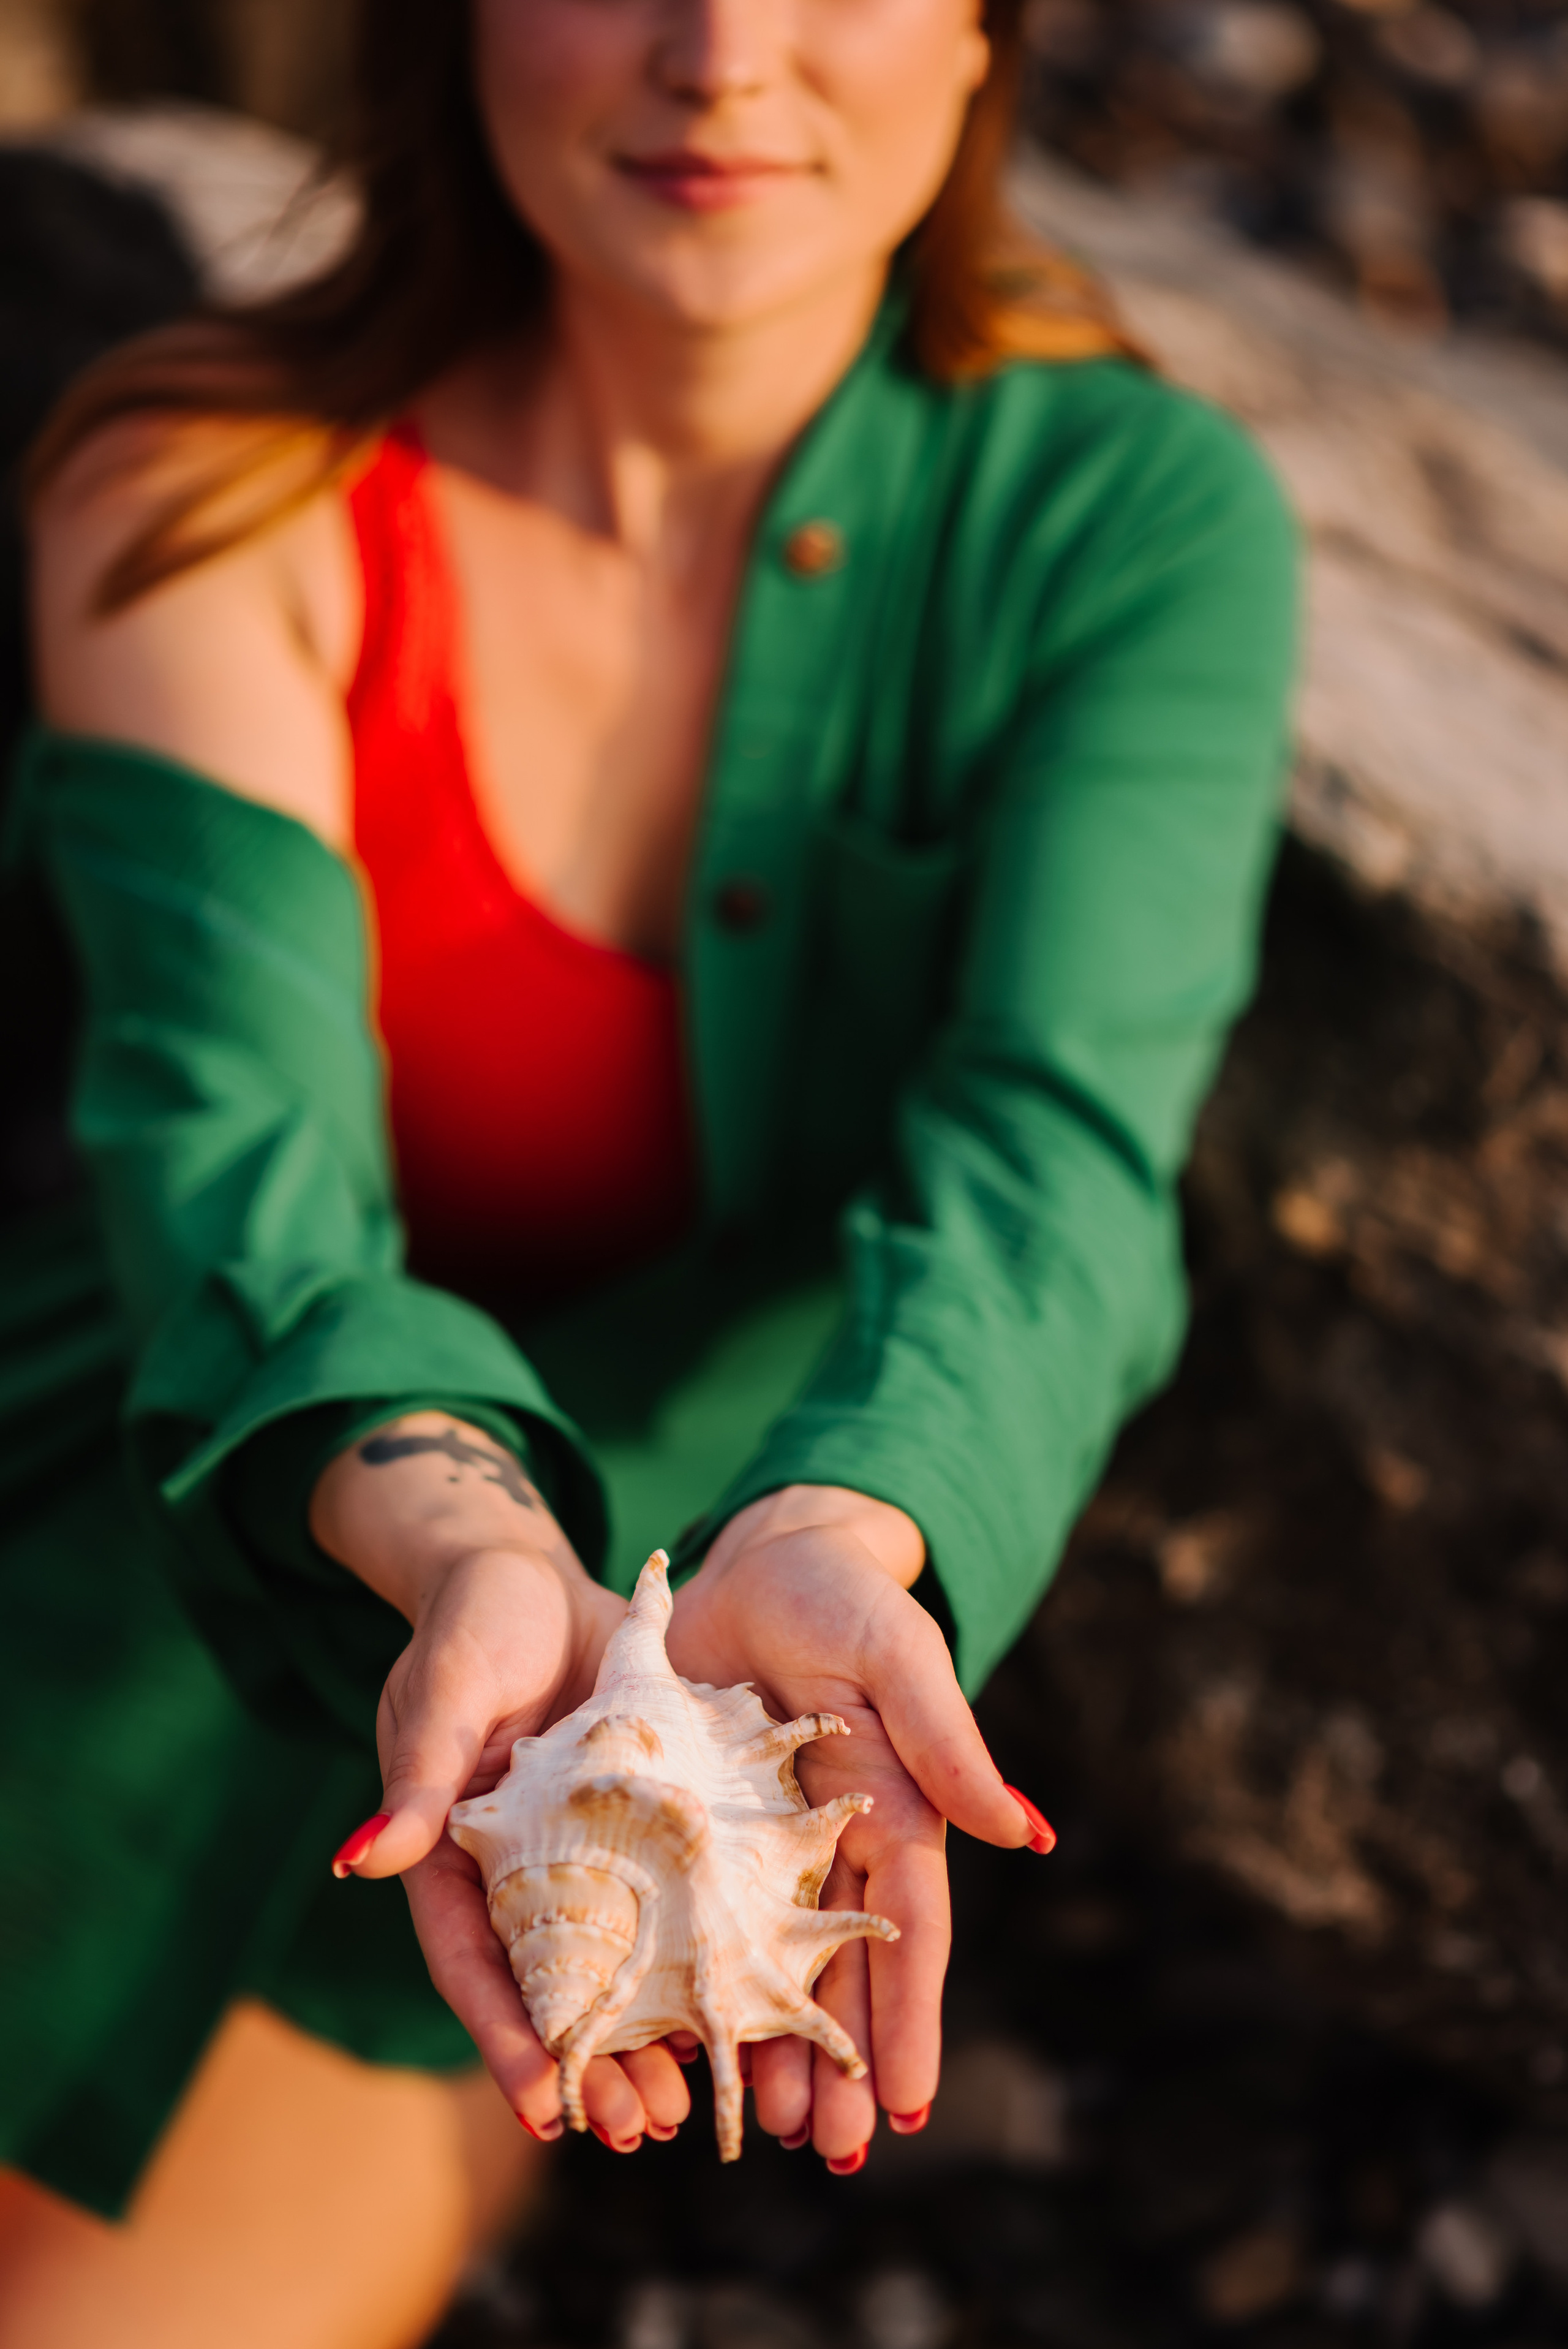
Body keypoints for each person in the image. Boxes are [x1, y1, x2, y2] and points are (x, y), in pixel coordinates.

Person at [0, 0, 1298, 2339]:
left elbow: (1055, 1166)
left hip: (640, 1712)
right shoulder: (207, 483)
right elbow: (242, 1173)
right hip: (161, 1519)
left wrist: (846, 1520)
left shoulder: (1130, 523)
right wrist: (460, 1528)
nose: (724, 52)